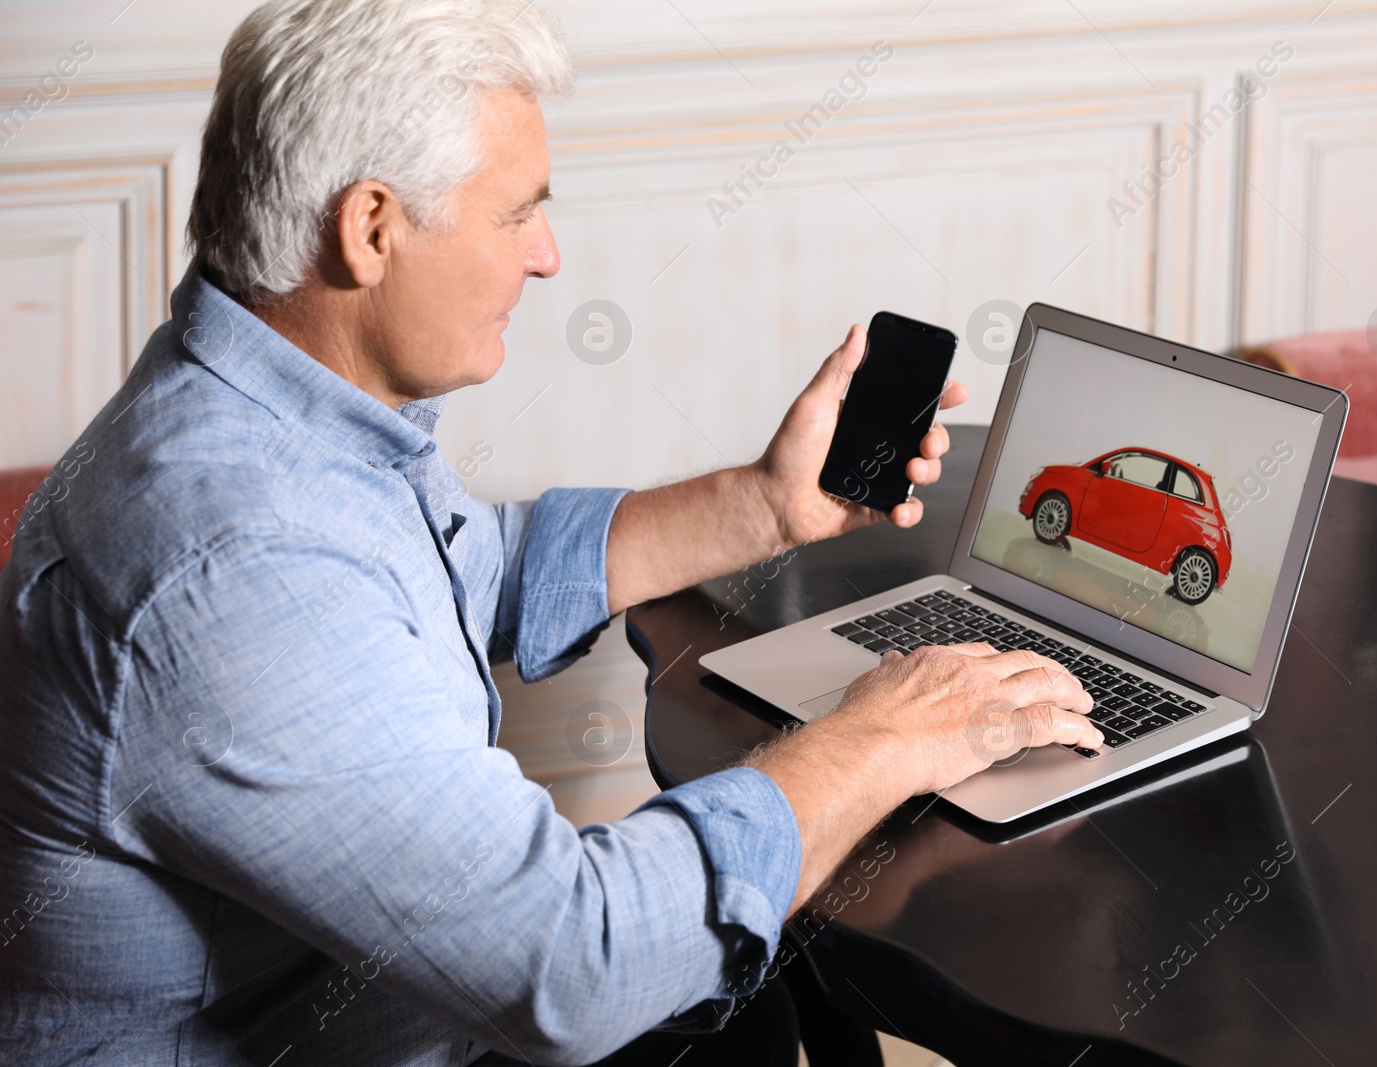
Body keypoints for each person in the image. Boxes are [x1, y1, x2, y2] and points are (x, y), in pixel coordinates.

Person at [0, 1, 1101, 1063]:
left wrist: (769, 503)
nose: (547, 256)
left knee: (749, 1007)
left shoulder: (275, 415)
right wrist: (884, 736)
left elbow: (469, 569)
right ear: (370, 226)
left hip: (382, 1000)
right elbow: (573, 964)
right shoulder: (237, 565)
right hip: (376, 1025)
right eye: (517, 211)